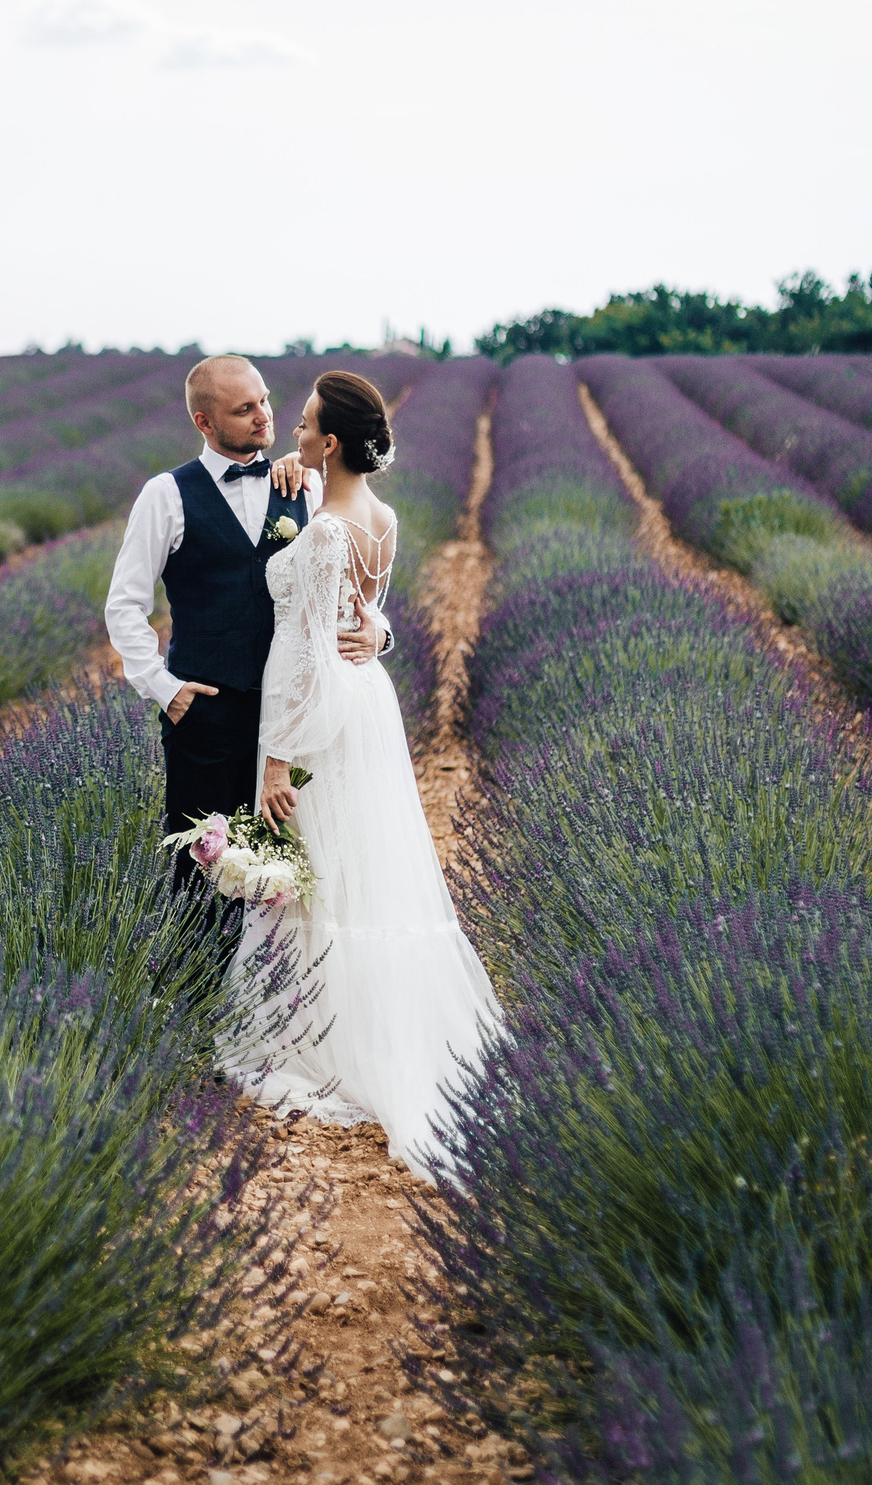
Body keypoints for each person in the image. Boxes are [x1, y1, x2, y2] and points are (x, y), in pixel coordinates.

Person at [232, 369, 505, 1173]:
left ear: (332, 442)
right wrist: (379, 634)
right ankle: (379, 1022)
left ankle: (326, 1040)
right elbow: (365, 612)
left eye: (304, 424)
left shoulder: (324, 531)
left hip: (324, 709)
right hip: (368, 702)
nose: (292, 432)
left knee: (319, 865)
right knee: (361, 864)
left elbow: (302, 653)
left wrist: (276, 761)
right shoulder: (380, 517)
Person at [103, 355, 390, 916]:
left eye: (264, 401)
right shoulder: (166, 494)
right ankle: (199, 975)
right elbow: (125, 605)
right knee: (202, 882)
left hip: (299, 723)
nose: (264, 416)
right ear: (204, 422)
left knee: (294, 882)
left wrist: (378, 631)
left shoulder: (307, 484)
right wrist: (166, 690)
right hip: (208, 717)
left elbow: (352, 583)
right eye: (244, 410)